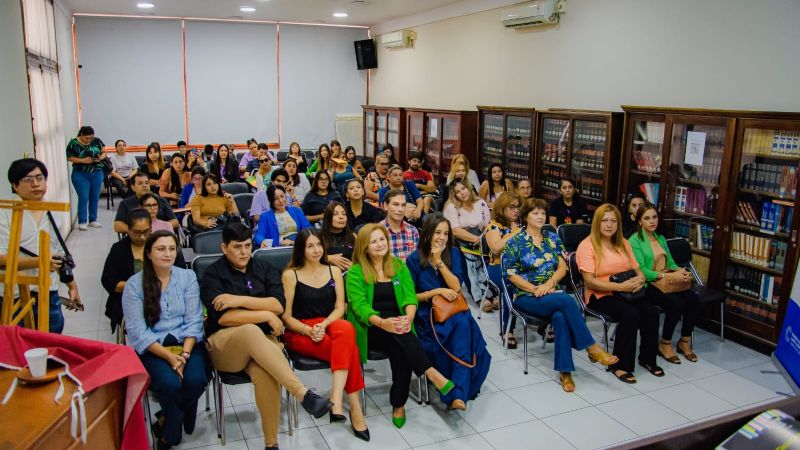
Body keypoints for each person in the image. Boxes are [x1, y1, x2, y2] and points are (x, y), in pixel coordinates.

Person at [201, 223, 334, 450]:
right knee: (251, 330)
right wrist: (264, 314)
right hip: (225, 346)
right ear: (224, 248)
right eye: (237, 247)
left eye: (246, 246)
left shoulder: (263, 268)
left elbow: (278, 305)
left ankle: (271, 444)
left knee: (266, 372)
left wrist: (237, 301)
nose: (244, 252)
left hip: (263, 344)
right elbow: (223, 319)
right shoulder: (212, 273)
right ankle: (303, 393)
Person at [345, 223, 455, 429]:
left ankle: (399, 403)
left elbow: (410, 297)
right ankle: (429, 374)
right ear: (364, 247)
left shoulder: (397, 265)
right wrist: (382, 322)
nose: (379, 244)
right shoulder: (356, 272)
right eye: (373, 241)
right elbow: (359, 307)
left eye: (381, 239)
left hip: (399, 324)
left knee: (402, 347)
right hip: (371, 327)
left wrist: (409, 317)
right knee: (404, 340)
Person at [502, 199, 618, 392]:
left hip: (550, 292)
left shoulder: (551, 238)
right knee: (567, 300)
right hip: (526, 296)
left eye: (542, 213)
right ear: (525, 217)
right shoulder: (514, 241)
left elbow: (563, 266)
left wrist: (549, 284)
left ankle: (565, 372)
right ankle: (591, 347)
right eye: (535, 213)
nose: (540, 217)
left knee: (560, 316)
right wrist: (534, 289)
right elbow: (512, 276)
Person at [121, 231, 208, 450]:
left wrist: (185, 355)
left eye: (171, 248)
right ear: (148, 253)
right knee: (169, 385)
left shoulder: (186, 277)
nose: (168, 254)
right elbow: (138, 332)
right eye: (161, 249)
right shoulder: (134, 285)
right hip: (154, 347)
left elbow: (194, 320)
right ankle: (171, 433)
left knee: (196, 380)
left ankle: (166, 419)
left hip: (186, 343)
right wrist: (170, 357)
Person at [281, 229, 369, 441]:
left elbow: (340, 307)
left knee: (346, 328)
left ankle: (337, 400)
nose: (316, 250)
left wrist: (325, 323)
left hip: (329, 321)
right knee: (349, 351)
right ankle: (354, 408)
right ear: (300, 250)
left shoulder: (334, 271)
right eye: (310, 246)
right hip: (300, 329)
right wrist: (308, 330)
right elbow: (286, 316)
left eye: (319, 245)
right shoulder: (290, 275)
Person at [406, 215, 491, 410]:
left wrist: (439, 262)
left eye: (446, 233)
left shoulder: (453, 253)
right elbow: (410, 297)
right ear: (427, 234)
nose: (442, 237)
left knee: (463, 326)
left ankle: (457, 394)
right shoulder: (414, 259)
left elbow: (456, 286)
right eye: (437, 233)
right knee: (459, 331)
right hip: (428, 316)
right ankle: (457, 393)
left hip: (453, 310)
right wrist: (435, 291)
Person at [576, 203, 661, 384]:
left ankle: (647, 359)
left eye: (613, 221)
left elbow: (637, 269)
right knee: (631, 314)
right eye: (605, 221)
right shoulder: (587, 246)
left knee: (652, 312)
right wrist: (621, 287)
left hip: (628, 291)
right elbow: (590, 281)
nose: (609, 225)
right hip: (600, 295)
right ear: (597, 223)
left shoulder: (622, 242)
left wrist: (639, 280)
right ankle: (620, 365)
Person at [0, 158, 82, 333]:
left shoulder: (53, 211)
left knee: (51, 344)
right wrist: (41, 262)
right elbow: (1, 258)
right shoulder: (5, 213)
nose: (36, 184)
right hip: (14, 294)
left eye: (40, 178)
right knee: (18, 350)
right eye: (28, 180)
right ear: (15, 185)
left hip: (48, 291)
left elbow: (58, 252)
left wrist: (72, 285)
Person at [628, 203, 700, 364]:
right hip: (649, 283)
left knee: (693, 300)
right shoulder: (634, 241)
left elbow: (671, 264)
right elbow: (642, 271)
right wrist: (663, 276)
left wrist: (681, 272)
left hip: (667, 280)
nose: (652, 221)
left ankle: (684, 341)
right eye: (647, 218)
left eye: (654, 217)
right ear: (640, 222)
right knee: (676, 303)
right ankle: (665, 343)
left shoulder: (660, 238)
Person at [103, 209, 186, 332]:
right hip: (132, 298)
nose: (142, 237)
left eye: (146, 232)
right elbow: (108, 280)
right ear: (129, 229)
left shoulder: (164, 245)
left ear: (151, 228)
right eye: (137, 232)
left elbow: (180, 272)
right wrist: (139, 287)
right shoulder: (119, 250)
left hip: (167, 294)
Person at [442, 180, 491, 306]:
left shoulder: (480, 203)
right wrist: (476, 239)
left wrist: (482, 238)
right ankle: (478, 296)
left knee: (487, 260)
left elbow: (487, 225)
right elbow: (456, 230)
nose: (462, 193)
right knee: (470, 263)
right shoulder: (451, 206)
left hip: (482, 239)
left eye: (463, 189)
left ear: (469, 188)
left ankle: (489, 293)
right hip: (460, 243)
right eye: (457, 192)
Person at [485, 192, 522, 343]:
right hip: (497, 267)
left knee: (540, 278)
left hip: (519, 267)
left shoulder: (521, 225)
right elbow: (496, 249)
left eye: (518, 207)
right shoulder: (493, 226)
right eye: (511, 207)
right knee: (510, 284)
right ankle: (508, 329)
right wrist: (513, 234)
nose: (516, 210)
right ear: (502, 208)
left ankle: (543, 323)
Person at [66, 125, 106, 229]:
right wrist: (82, 160)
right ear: (81, 135)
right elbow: (69, 157)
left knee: (95, 196)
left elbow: (104, 152)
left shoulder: (96, 141)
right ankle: (82, 221)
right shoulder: (73, 143)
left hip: (97, 172)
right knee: (83, 197)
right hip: (80, 173)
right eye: (87, 138)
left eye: (91, 138)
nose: (89, 140)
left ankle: (93, 219)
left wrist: (100, 158)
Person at [114, 172, 179, 234]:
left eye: (147, 183)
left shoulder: (162, 201)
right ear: (133, 187)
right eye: (140, 183)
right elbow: (117, 225)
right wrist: (136, 231)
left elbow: (175, 222)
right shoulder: (125, 203)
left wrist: (157, 229)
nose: (144, 185)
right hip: (137, 238)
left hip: (160, 236)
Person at [381, 189, 419, 262]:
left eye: (403, 205)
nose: (400, 209)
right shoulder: (377, 231)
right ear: (385, 206)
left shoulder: (412, 230)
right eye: (396, 204)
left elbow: (415, 262)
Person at [320, 202, 355, 271]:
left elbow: (363, 259)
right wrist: (328, 258)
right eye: (335, 214)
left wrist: (355, 267)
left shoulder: (353, 237)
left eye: (344, 214)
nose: (341, 217)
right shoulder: (318, 237)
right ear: (328, 218)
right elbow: (307, 258)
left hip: (350, 275)